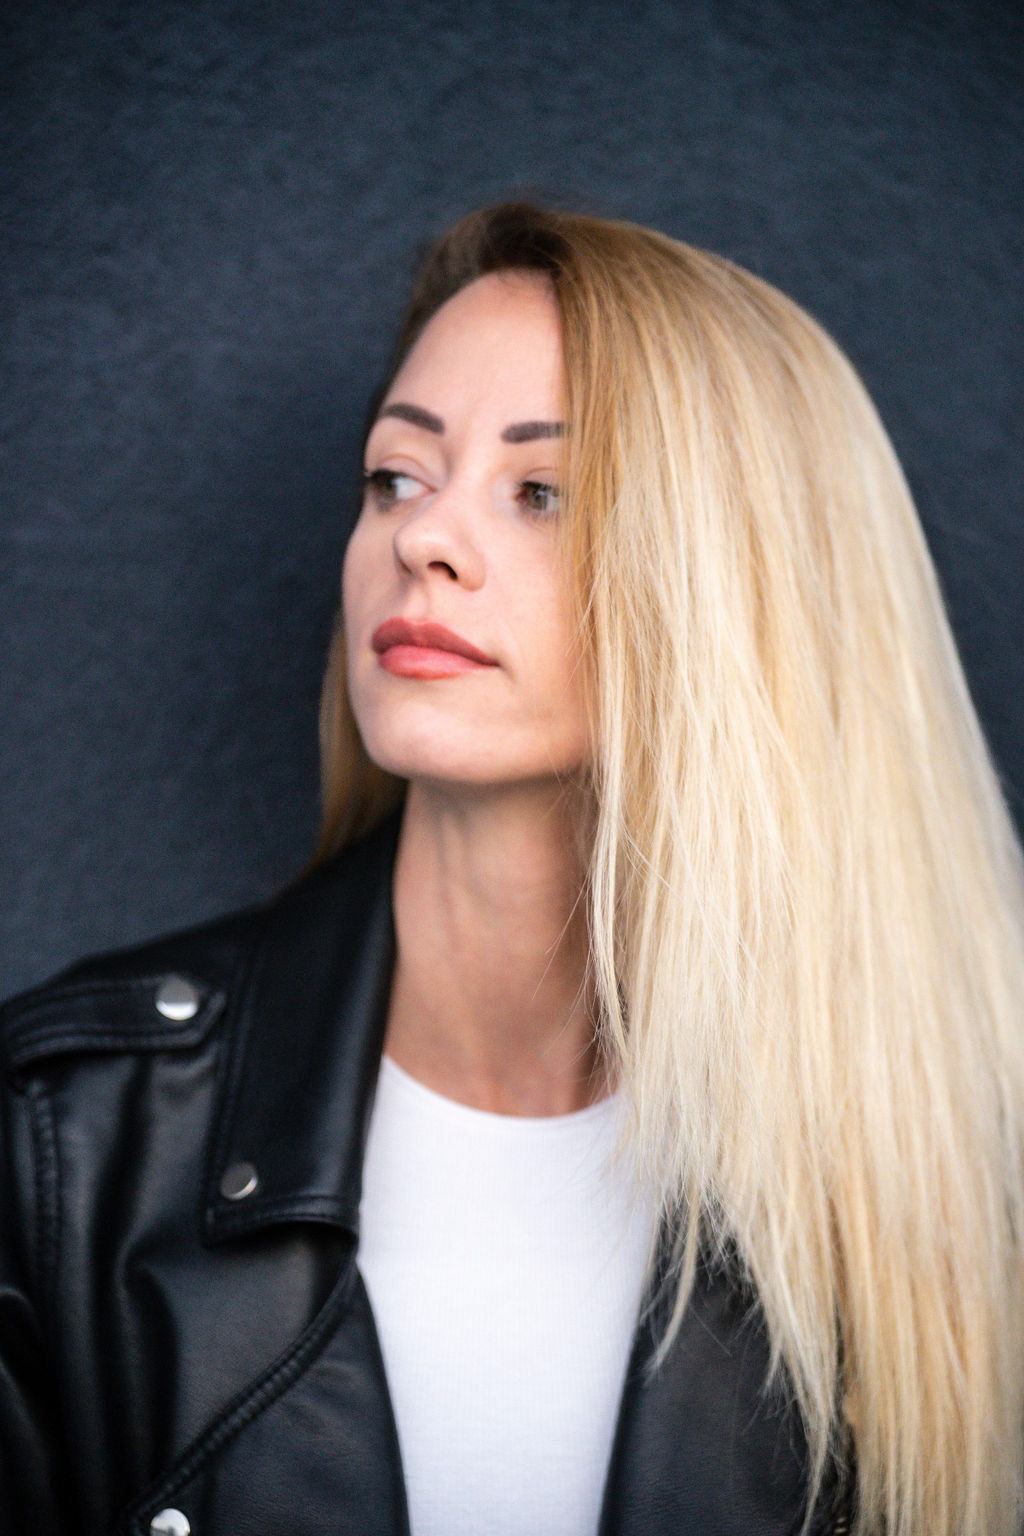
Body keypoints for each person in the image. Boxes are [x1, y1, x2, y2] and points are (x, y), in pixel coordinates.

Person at [2, 202, 1023, 1536]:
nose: (421, 539)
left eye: (541, 491)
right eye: (396, 476)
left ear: (743, 584)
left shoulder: (960, 1164)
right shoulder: (68, 1137)